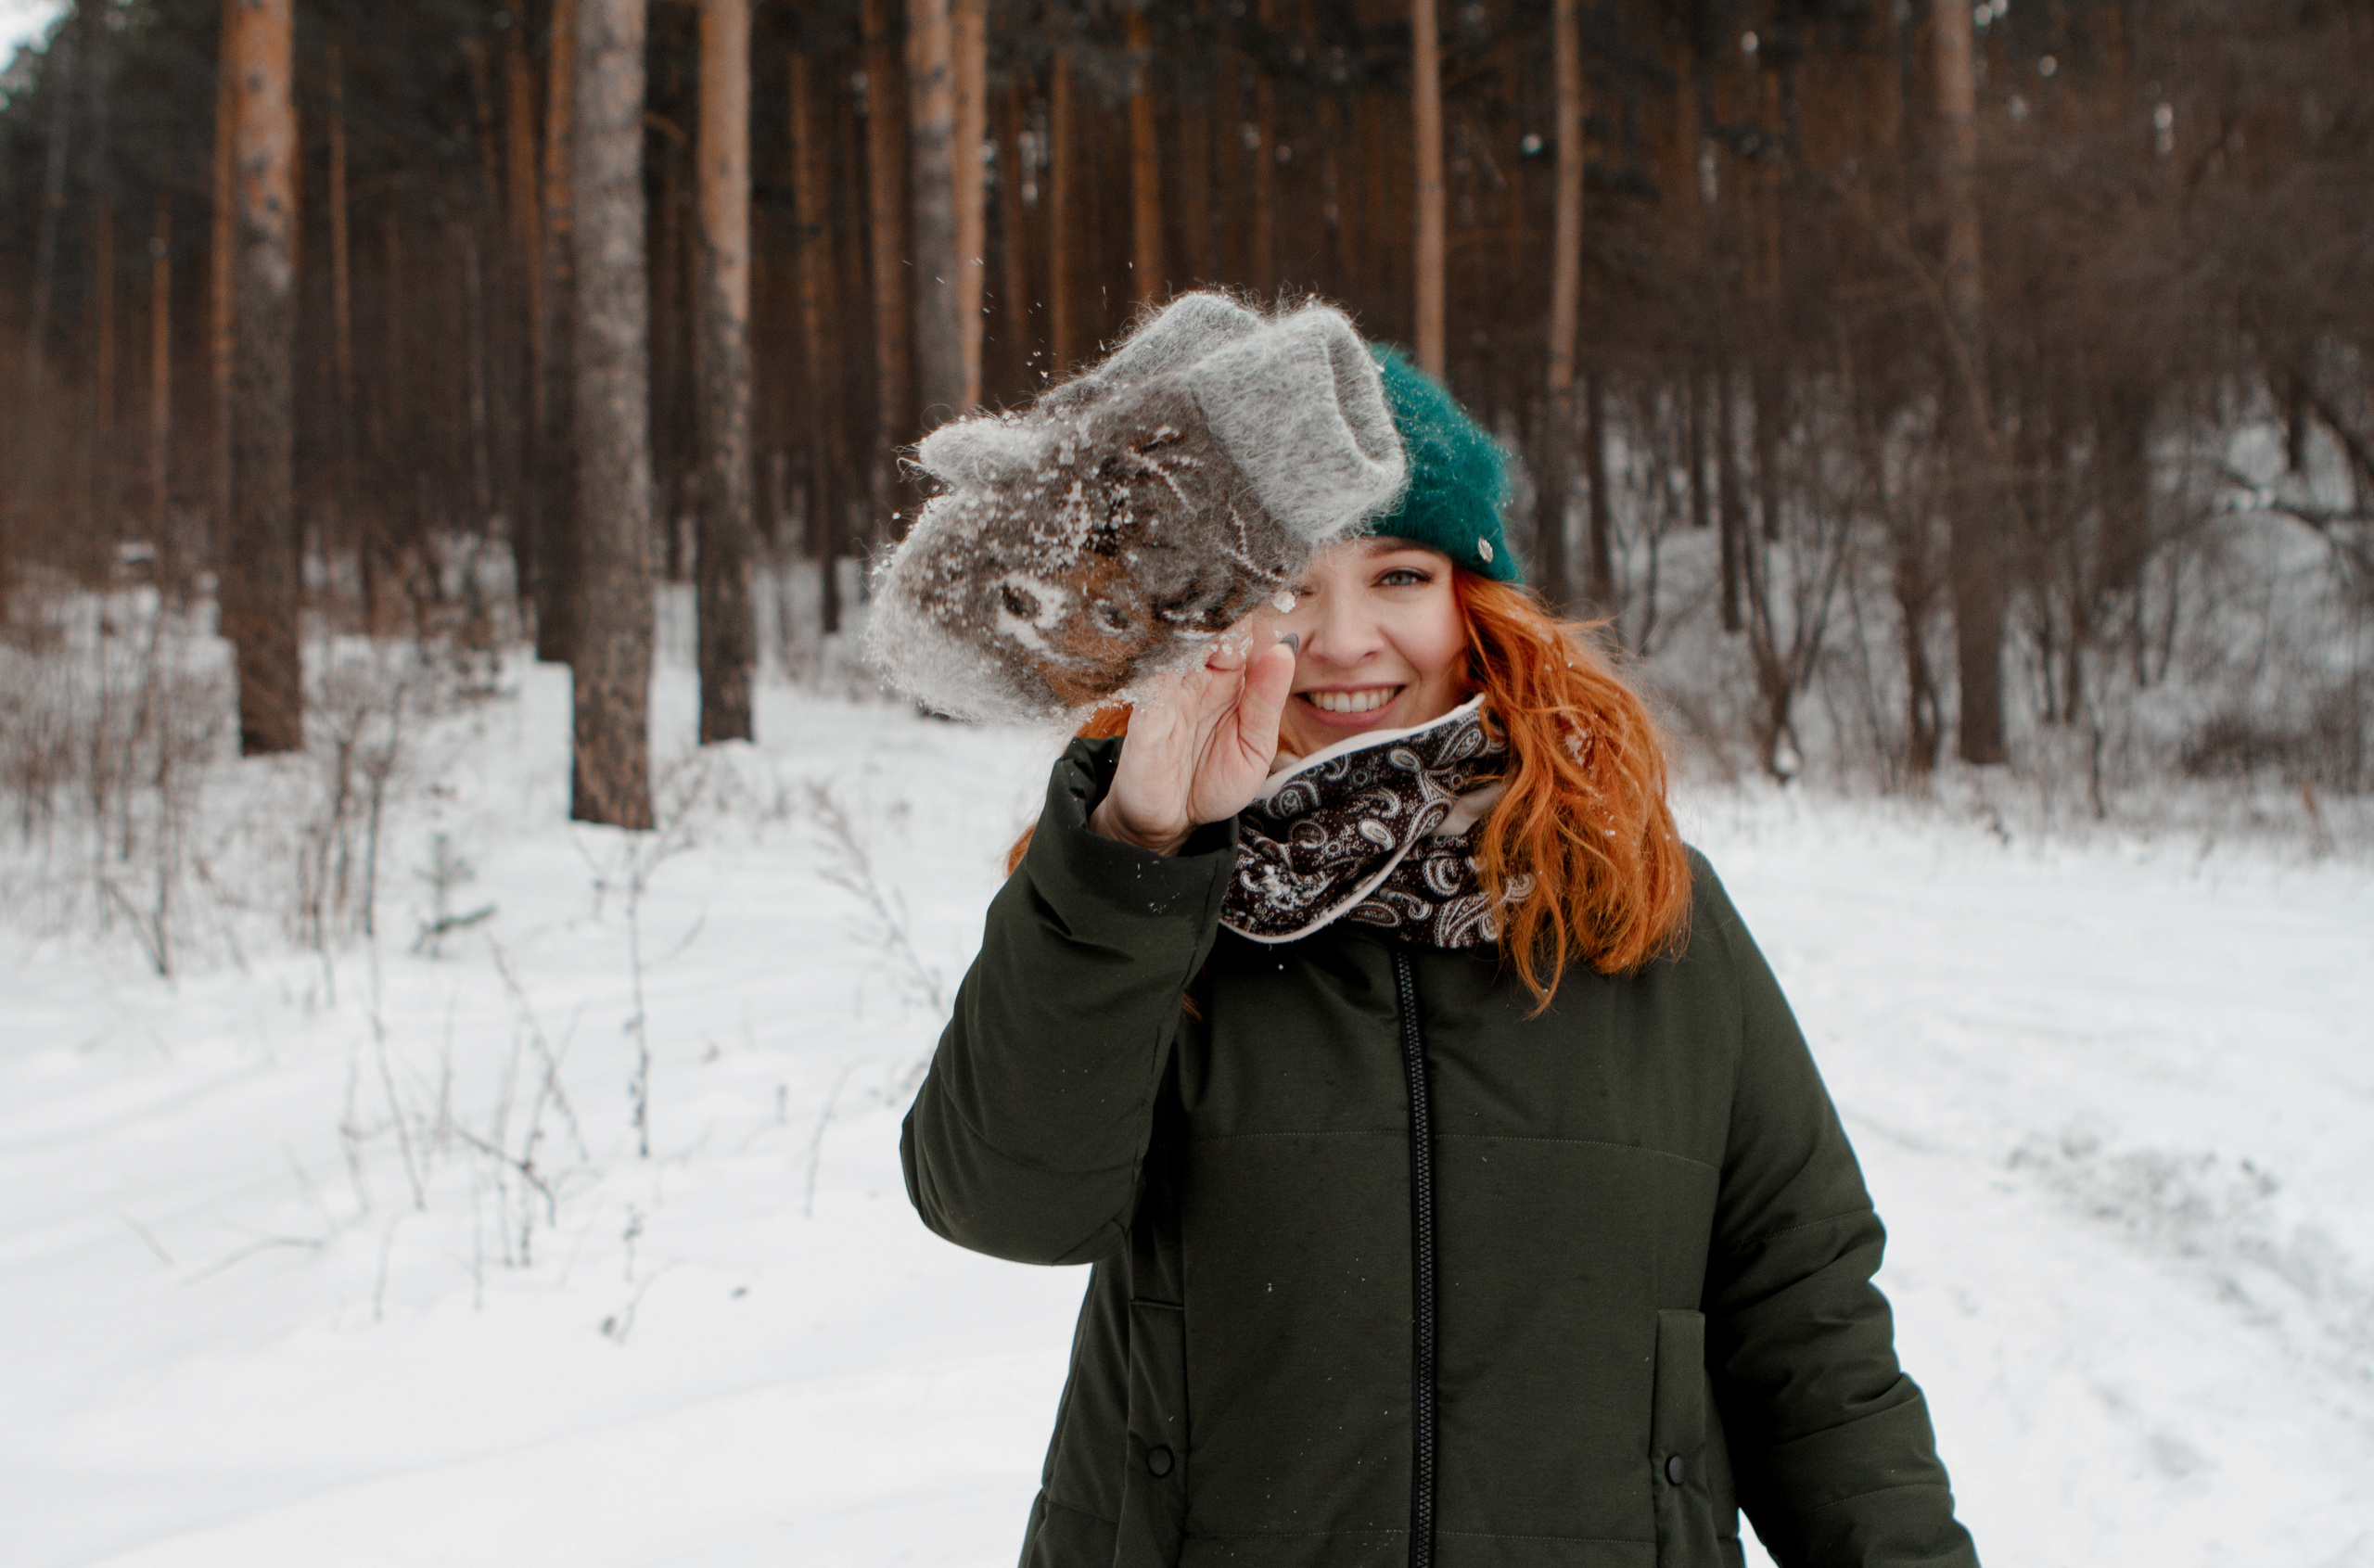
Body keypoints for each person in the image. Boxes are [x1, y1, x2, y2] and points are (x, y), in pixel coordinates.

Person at [900, 342, 1979, 1568]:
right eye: (1288, 585)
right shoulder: (1142, 892)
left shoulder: (1636, 899)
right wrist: (1140, 845)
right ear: (1213, 623)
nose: (1344, 639)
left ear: (1475, 603)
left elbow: (1811, 1327)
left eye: (1400, 575)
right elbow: (1004, 1204)